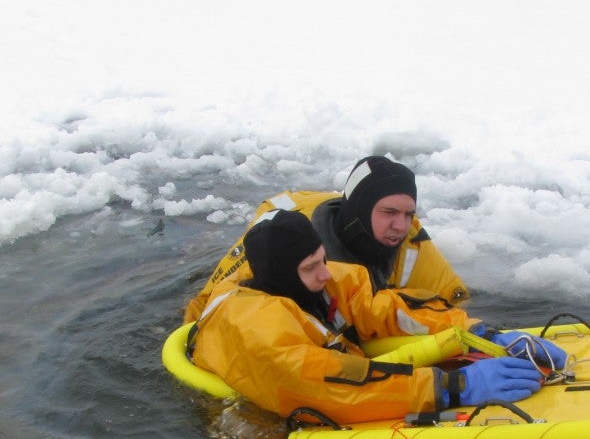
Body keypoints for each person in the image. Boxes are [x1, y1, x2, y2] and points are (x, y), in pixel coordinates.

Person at [187, 210, 566, 424]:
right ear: (284, 276)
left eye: (323, 259)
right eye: (310, 267)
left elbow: (391, 310)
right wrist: (451, 387)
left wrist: (481, 333)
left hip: (310, 381)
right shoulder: (253, 326)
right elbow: (317, 386)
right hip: (248, 418)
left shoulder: (322, 281)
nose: (325, 274)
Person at [183, 156, 468, 323]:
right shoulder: (286, 235)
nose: (400, 225)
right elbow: (208, 309)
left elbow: (454, 303)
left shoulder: (411, 239)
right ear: (360, 209)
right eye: (389, 212)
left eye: (408, 213)